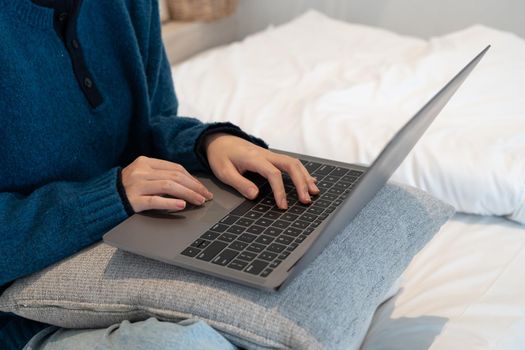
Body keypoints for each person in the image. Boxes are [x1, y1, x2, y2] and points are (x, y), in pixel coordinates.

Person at [0, 0, 320, 348]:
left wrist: (206, 143)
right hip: (23, 312)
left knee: (316, 250)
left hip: (136, 236)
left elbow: (153, 122)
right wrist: (109, 196)